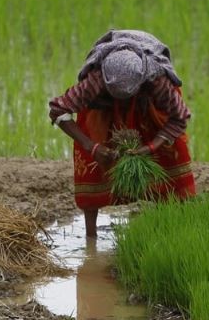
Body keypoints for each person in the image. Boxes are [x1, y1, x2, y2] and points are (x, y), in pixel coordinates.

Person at [48, 30, 196, 237]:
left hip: (148, 106)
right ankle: (91, 237)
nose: (124, 103)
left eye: (127, 97)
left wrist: (152, 145)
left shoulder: (157, 80)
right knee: (91, 159)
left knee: (171, 155)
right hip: (103, 107)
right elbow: (58, 110)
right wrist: (93, 147)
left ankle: (178, 228)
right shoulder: (96, 80)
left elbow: (180, 117)